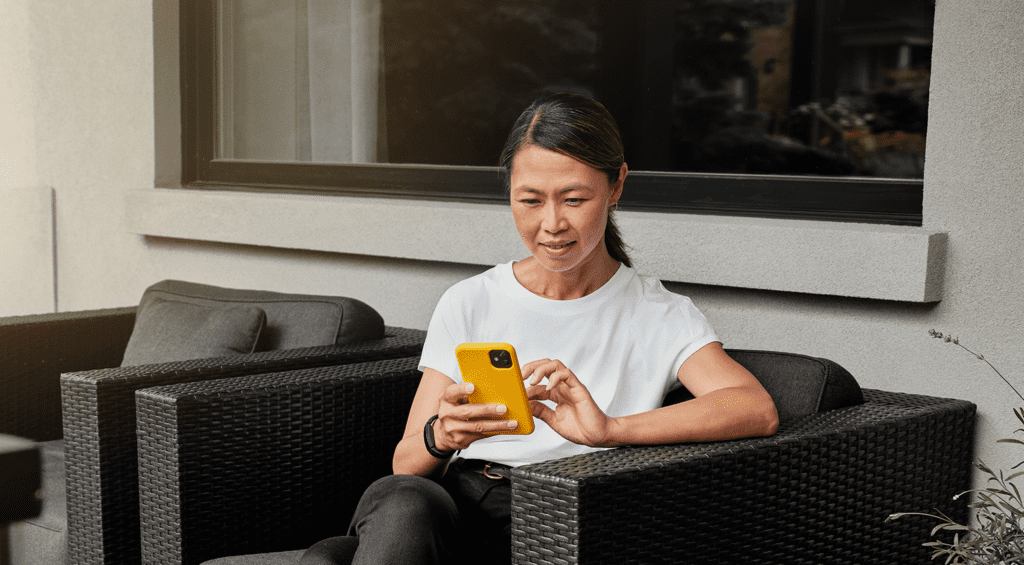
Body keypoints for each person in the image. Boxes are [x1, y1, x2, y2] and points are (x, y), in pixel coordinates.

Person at [299, 92, 779, 565]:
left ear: (616, 186)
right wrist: (441, 436)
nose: (551, 224)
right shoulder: (471, 300)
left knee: (330, 558)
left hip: (565, 514)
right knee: (401, 499)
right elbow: (406, 464)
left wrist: (611, 429)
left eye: (574, 199)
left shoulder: (657, 312)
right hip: (454, 507)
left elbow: (754, 408)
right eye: (529, 200)